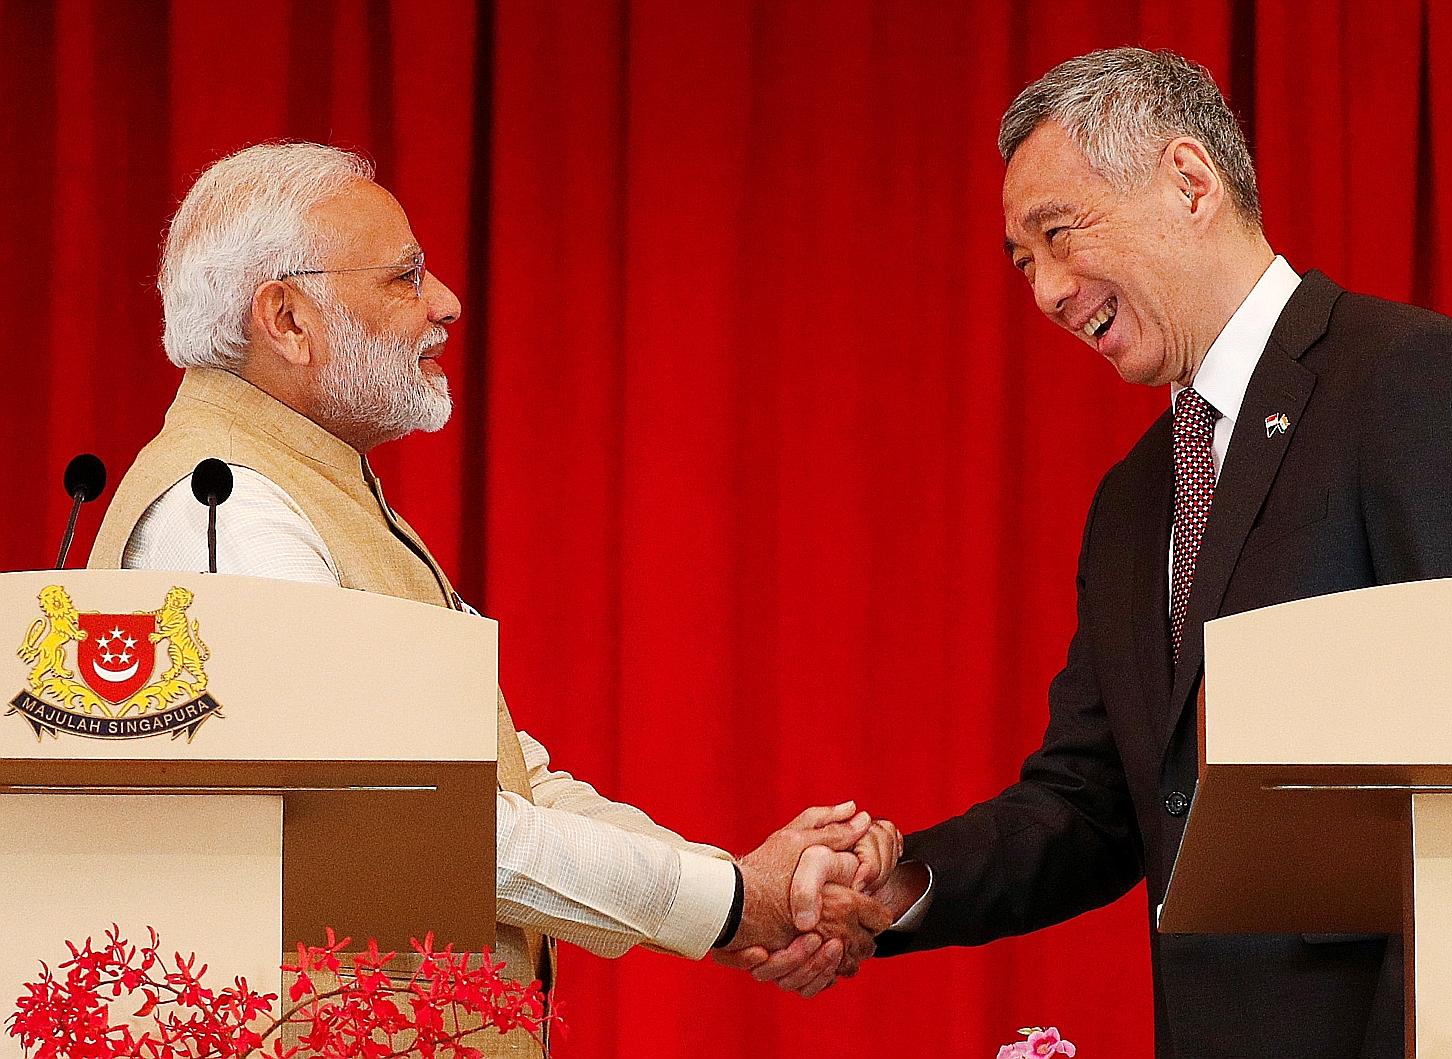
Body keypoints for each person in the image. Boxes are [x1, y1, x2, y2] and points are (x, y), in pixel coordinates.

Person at [729, 47, 1452, 1057]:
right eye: (1024, 261)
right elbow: (1092, 802)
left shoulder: (1406, 379)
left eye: (1058, 236)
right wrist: (892, 884)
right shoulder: (1133, 496)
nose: (1047, 293)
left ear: (1190, 181)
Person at [86, 143, 898, 1057]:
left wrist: (740, 888)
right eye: (404, 277)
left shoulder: (311, 489)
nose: (445, 304)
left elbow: (512, 778)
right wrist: (734, 903)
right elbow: (414, 818)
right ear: (286, 316)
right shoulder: (231, 514)